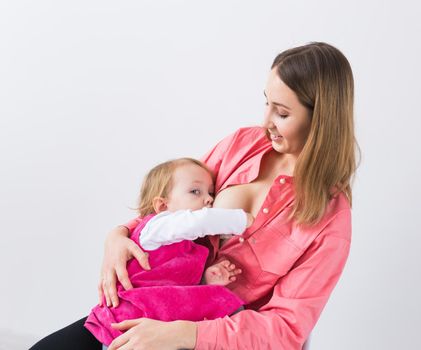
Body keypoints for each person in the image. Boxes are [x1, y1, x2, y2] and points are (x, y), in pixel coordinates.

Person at [31, 41, 358, 350]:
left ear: (320, 121)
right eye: (266, 103)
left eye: (282, 113)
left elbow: (286, 330)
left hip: (217, 333)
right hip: (153, 303)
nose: (266, 122)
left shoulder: (331, 220)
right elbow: (176, 204)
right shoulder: (241, 144)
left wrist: (184, 333)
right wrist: (119, 235)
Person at [83, 158, 253, 346]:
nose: (209, 199)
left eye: (210, 193)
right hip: (129, 323)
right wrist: (242, 220)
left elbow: (172, 284)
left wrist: (205, 280)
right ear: (163, 206)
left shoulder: (189, 247)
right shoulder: (156, 228)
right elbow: (198, 222)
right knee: (224, 304)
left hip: (154, 326)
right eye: (195, 191)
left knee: (224, 303)